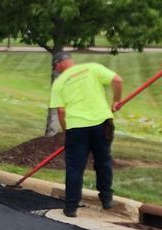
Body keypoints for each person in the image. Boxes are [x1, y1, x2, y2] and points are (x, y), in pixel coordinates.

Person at [49, 53, 123, 217]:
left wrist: (66, 132)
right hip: (102, 123)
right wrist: (116, 101)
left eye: (55, 67)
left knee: (75, 168)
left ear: (60, 63)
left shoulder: (59, 83)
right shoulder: (92, 68)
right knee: (103, 161)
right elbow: (117, 80)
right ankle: (106, 199)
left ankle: (70, 208)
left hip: (77, 128)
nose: (56, 70)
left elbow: (61, 111)